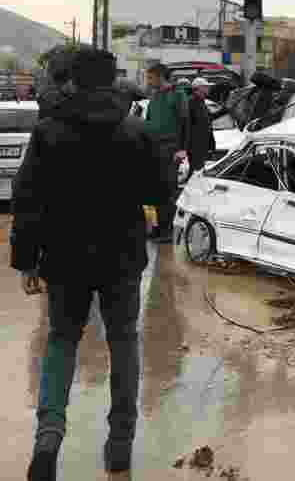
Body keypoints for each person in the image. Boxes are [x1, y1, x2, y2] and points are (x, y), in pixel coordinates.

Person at [10, 46, 174, 479]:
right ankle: (119, 448)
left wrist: (27, 261)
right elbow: (161, 192)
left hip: (64, 259)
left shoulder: (47, 132)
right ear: (113, 82)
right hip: (122, 258)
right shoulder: (136, 132)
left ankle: (48, 438)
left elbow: (27, 201)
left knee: (61, 341)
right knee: (123, 342)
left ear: (72, 82)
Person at [142, 63, 190, 243]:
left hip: (170, 150)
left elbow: (185, 123)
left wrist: (182, 149)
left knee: (167, 192)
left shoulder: (177, 95)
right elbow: (149, 122)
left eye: (150, 77)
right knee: (152, 192)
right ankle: (154, 228)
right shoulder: (154, 96)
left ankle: (167, 230)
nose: (148, 81)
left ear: (160, 76)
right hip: (153, 150)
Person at [186, 77, 216, 178]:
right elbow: (188, 124)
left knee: (198, 172)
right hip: (195, 146)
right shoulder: (191, 102)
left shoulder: (202, 102)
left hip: (202, 145)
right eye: (206, 87)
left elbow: (207, 121)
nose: (208, 89)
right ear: (198, 88)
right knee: (196, 173)